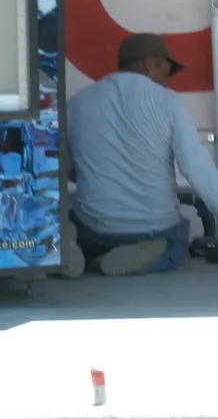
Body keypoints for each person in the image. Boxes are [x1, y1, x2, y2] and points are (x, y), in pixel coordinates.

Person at [66, 32, 218, 277]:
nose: (168, 81)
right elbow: (195, 166)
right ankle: (152, 251)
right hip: (155, 227)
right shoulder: (169, 101)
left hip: (94, 228)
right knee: (175, 242)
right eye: (167, 70)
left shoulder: (78, 102)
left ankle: (70, 248)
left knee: (68, 220)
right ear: (150, 63)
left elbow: (67, 169)